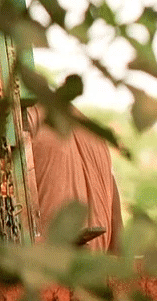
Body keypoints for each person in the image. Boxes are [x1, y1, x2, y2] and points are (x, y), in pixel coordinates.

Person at [24, 105, 123, 253]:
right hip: (95, 269)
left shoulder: (23, 121)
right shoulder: (93, 132)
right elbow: (118, 236)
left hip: (43, 267)